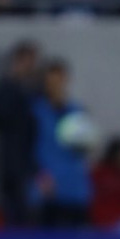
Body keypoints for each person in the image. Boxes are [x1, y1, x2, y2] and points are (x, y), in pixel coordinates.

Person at [30, 59, 93, 228]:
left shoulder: (77, 111)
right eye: (51, 82)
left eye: (59, 80)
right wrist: (38, 175)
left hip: (75, 188)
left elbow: (86, 147)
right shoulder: (35, 112)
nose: (55, 86)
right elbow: (27, 149)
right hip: (47, 187)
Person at [0, 40, 40, 227]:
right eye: (27, 62)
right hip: (12, 160)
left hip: (33, 161)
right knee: (15, 210)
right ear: (17, 61)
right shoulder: (3, 90)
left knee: (33, 214)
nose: (30, 67)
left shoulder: (34, 92)